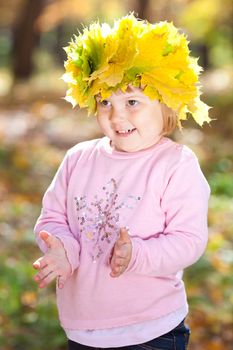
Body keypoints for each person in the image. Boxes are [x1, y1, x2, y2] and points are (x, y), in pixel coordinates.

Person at [33, 13, 211, 350]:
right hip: (83, 329)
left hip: (152, 328)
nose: (117, 116)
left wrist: (138, 255)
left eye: (132, 102)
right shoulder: (78, 158)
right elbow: (52, 219)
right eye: (105, 102)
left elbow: (188, 239)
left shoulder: (175, 164)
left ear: (167, 104)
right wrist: (63, 251)